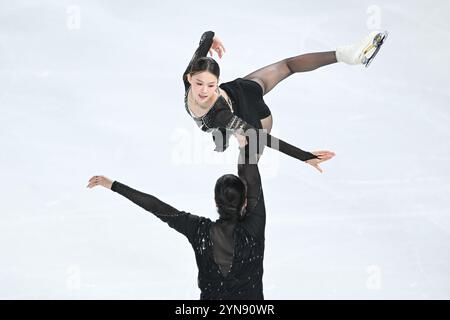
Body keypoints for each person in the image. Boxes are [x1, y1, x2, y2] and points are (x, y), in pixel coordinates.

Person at [87, 140, 333, 299]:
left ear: (216, 203)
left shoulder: (197, 229)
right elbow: (250, 171)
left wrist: (113, 185)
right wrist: (245, 142)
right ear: (246, 201)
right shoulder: (255, 226)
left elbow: (157, 207)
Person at [182, 30, 385, 169]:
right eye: (199, 84)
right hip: (242, 89)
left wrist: (304, 156)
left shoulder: (220, 115)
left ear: (217, 83)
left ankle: (346, 54)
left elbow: (260, 136)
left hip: (253, 115)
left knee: (247, 165)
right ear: (190, 78)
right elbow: (206, 36)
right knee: (287, 66)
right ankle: (347, 55)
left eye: (211, 86)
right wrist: (212, 38)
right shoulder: (189, 75)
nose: (204, 91)